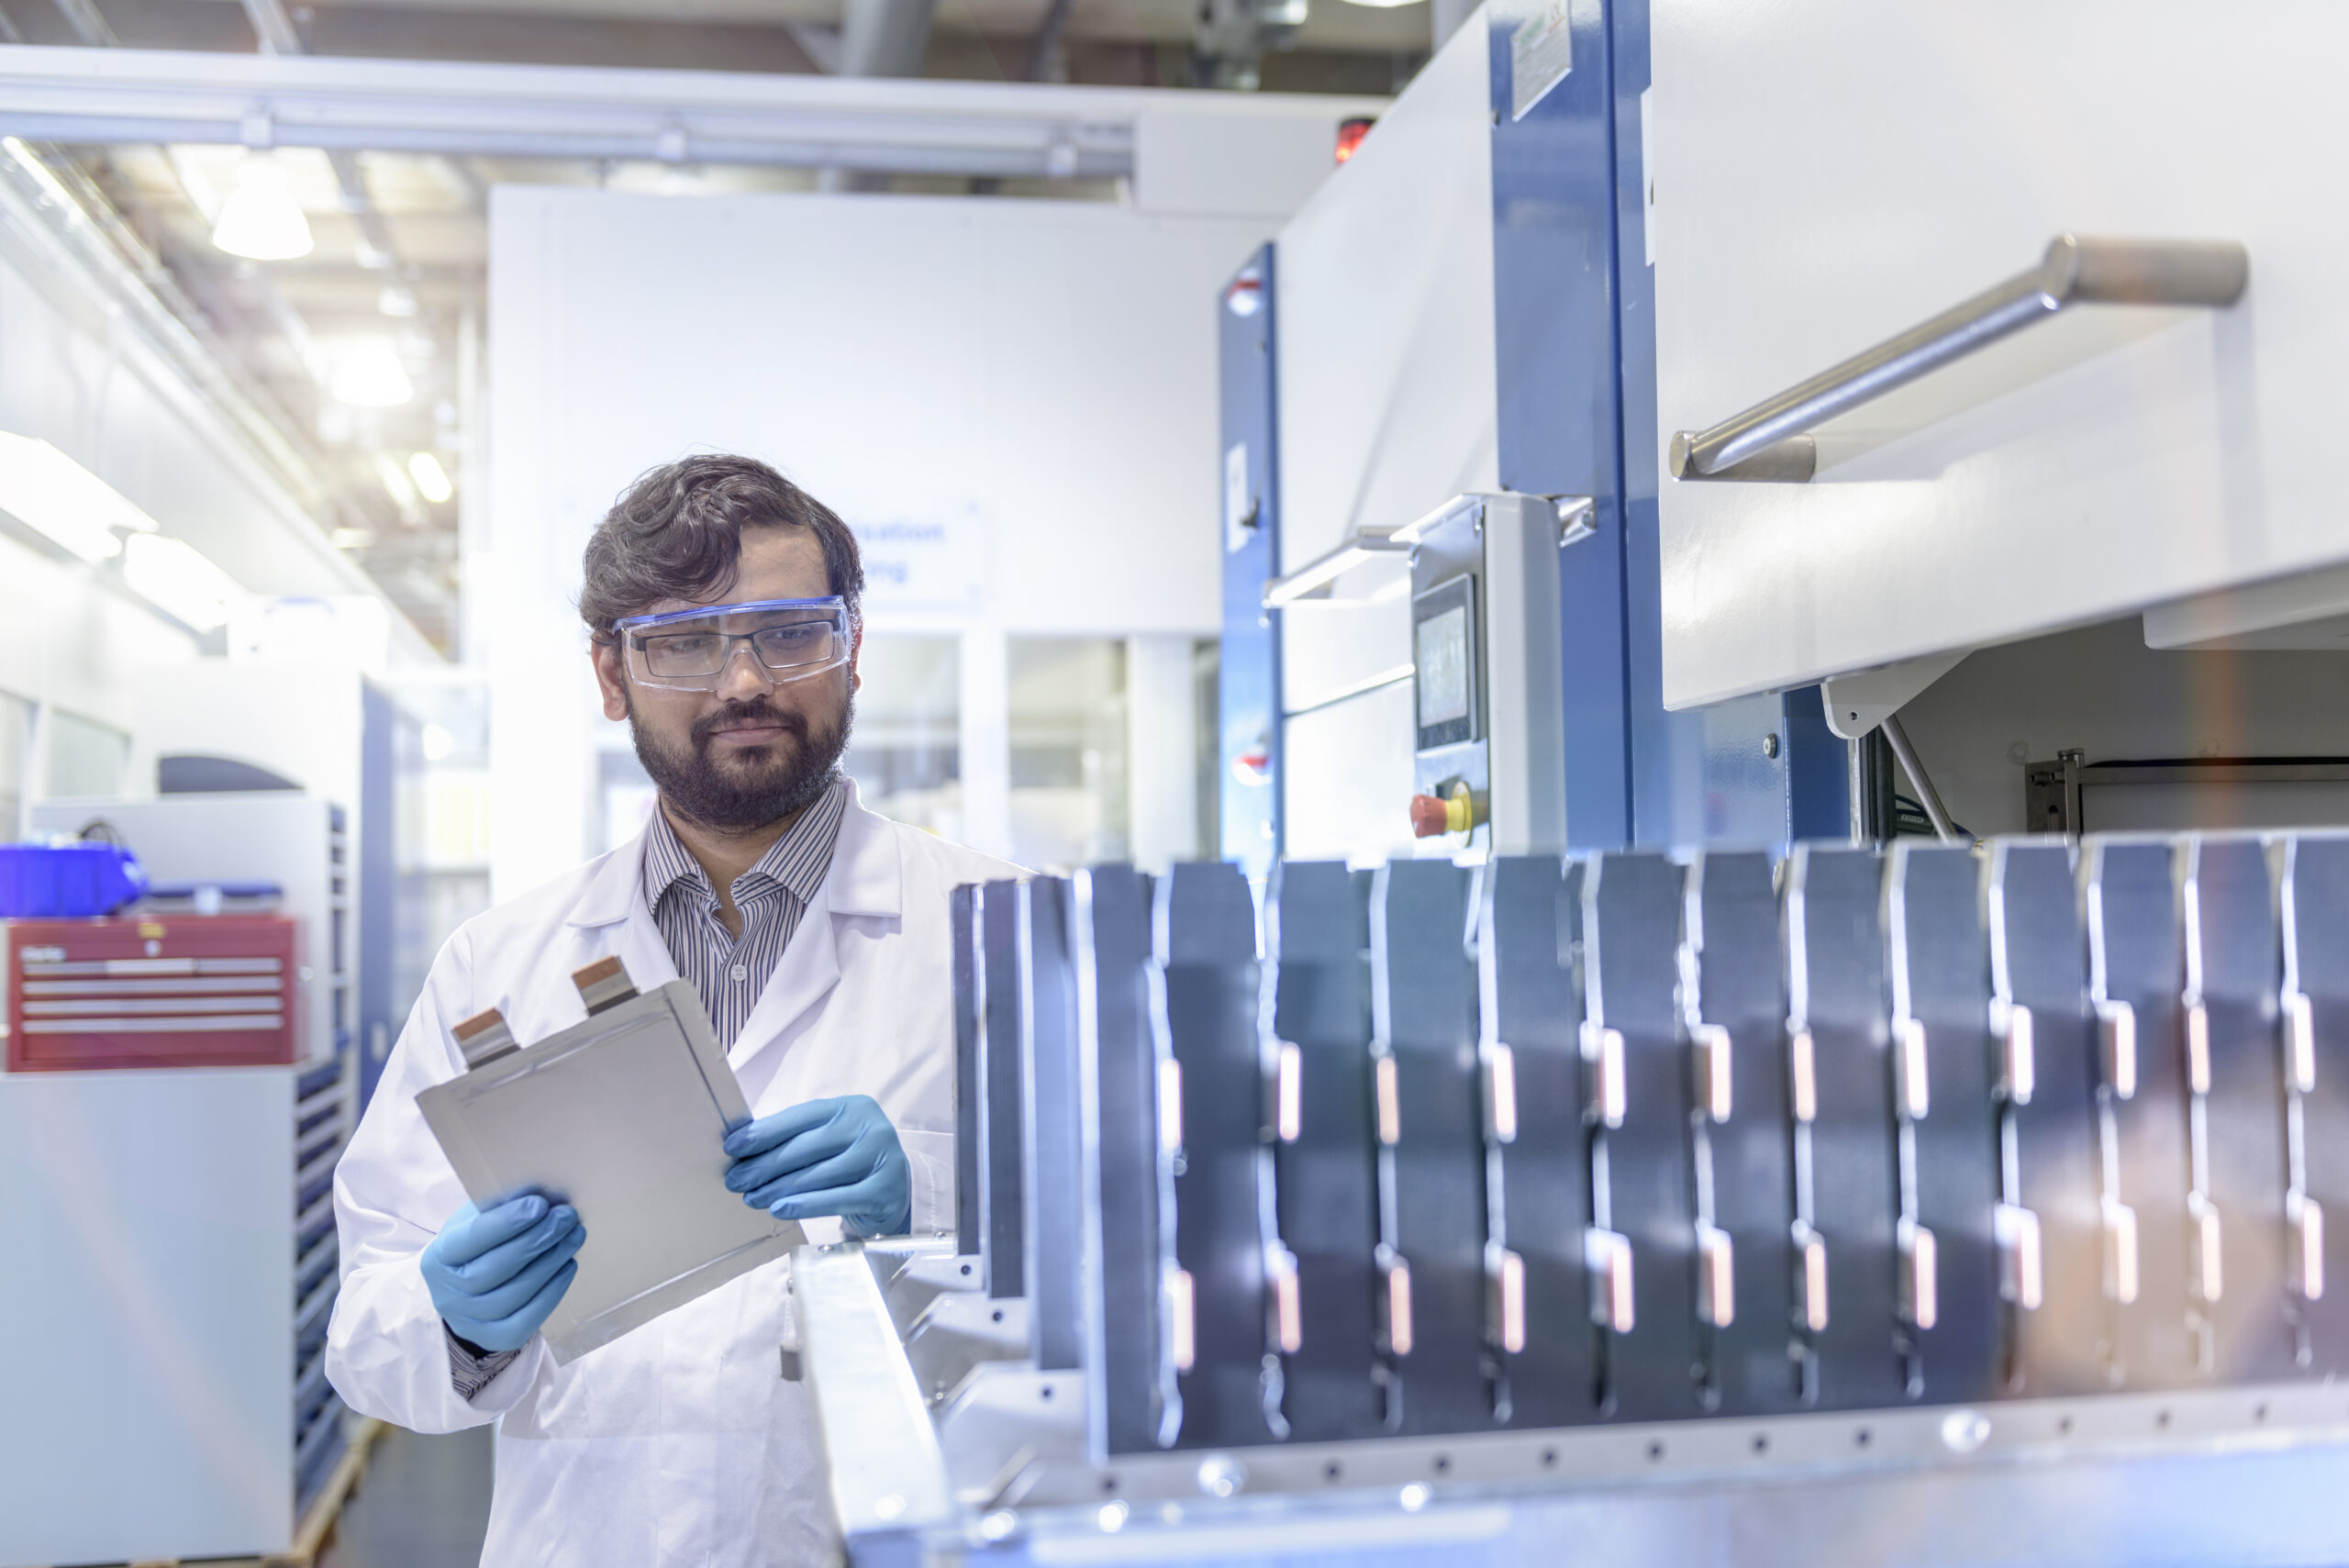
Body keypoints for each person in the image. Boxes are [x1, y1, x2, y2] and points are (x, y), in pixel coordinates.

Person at [326, 455, 1018, 1565]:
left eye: (788, 630)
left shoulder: (1006, 928)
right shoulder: (495, 963)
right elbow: (366, 1335)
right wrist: (453, 1317)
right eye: (683, 641)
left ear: (850, 649)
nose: (743, 680)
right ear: (611, 674)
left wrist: (937, 1197)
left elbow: (1142, 1260)